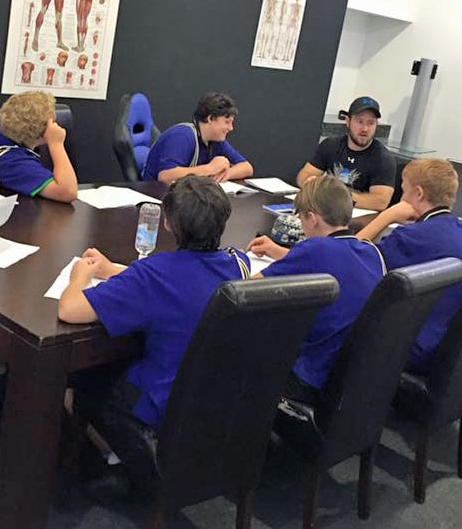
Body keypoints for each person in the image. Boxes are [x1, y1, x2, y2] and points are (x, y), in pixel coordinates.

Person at [58, 176, 250, 492]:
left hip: (164, 402)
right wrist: (116, 270)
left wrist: (79, 278)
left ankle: (116, 455)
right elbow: (185, 283)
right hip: (219, 399)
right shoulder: (238, 263)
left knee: (79, 384)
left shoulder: (154, 273)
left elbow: (70, 309)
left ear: (169, 224)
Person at [247, 175, 385, 405]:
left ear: (312, 218)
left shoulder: (313, 250)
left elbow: (245, 290)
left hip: (309, 378)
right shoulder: (369, 252)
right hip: (351, 379)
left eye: (301, 219)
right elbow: (331, 260)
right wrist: (282, 253)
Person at [355, 158, 462, 374]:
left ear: (418, 194)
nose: (401, 198)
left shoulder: (411, 238)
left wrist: (387, 216)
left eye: (403, 191)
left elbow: (351, 257)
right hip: (457, 349)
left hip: (418, 349)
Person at [297, 96, 396, 211]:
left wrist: (335, 196)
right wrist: (312, 185)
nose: (365, 128)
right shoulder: (330, 145)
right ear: (348, 122)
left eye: (371, 123)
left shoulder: (383, 159)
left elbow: (380, 202)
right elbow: (304, 176)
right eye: (359, 121)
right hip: (326, 210)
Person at [0, 91, 78, 202]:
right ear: (44, 130)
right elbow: (68, 192)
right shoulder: (12, 161)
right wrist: (56, 144)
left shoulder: (5, 136)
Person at [141, 92, 254, 183]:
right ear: (210, 119)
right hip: (157, 198)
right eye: (227, 122)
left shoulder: (216, 141)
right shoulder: (182, 136)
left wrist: (226, 173)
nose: (231, 128)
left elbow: (247, 167)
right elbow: (165, 176)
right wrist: (210, 168)